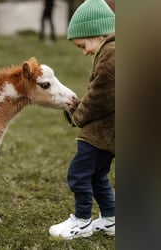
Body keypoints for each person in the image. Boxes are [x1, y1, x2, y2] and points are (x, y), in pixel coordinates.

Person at [48, 0, 115, 240]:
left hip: (99, 132)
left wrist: (79, 114)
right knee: (98, 175)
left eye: (82, 45)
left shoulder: (112, 53)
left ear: (96, 33)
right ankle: (111, 218)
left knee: (79, 174)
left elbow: (101, 95)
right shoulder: (112, 50)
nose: (85, 51)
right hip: (109, 132)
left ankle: (82, 220)